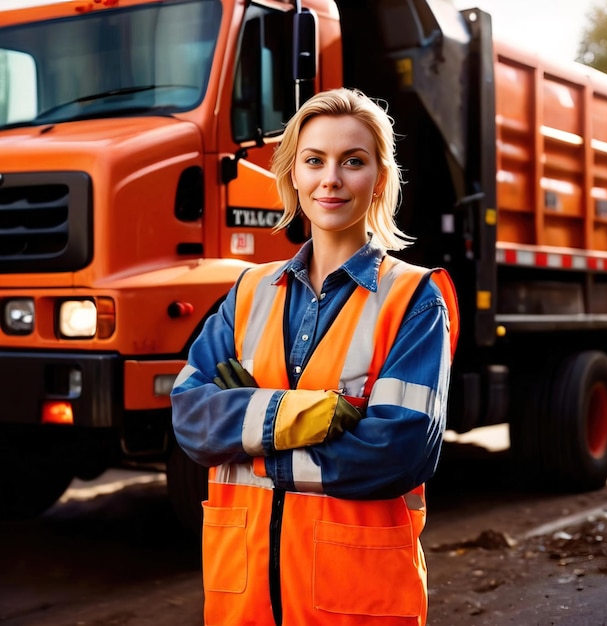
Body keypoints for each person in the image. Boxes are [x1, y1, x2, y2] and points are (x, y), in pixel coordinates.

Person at [171, 87, 459, 626]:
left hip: (356, 602)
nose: (331, 178)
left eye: (353, 161)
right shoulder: (248, 291)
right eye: (314, 160)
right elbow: (190, 418)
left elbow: (398, 450)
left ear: (378, 180)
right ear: (293, 176)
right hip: (243, 602)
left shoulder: (415, 299)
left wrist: (249, 436)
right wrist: (301, 416)